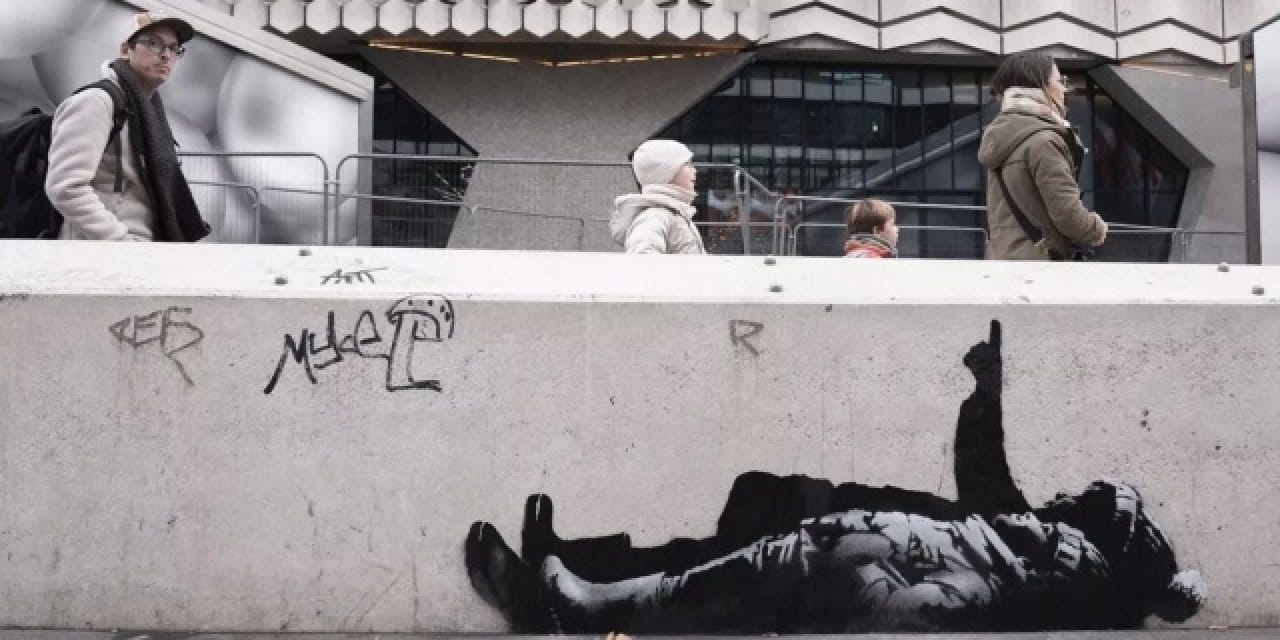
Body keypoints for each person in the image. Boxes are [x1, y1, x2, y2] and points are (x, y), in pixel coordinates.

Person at [464, 320, 1205, 633]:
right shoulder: (1048, 540)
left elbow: (985, 516)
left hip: (884, 551)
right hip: (883, 532)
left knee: (740, 556)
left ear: (1110, 526)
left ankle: (567, 596)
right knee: (746, 519)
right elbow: (991, 494)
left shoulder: (1074, 554)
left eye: (1086, 499)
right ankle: (575, 570)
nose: (1070, 495)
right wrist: (986, 396)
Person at [45, 11, 208, 242]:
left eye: (173, 48)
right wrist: (121, 242)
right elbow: (65, 187)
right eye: (153, 43)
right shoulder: (97, 102)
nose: (165, 55)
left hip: (141, 249)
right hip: (101, 252)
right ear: (125, 50)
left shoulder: (149, 112)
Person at [977, 52, 1105, 261]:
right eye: (1060, 81)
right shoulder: (1044, 142)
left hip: (1005, 260)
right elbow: (1068, 215)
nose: (1064, 89)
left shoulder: (1003, 136)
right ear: (1041, 88)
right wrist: (1096, 228)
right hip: (1041, 265)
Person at [609, 139, 706, 254]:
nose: (694, 170)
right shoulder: (655, 216)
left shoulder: (675, 212)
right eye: (687, 164)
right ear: (667, 171)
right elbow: (642, 260)